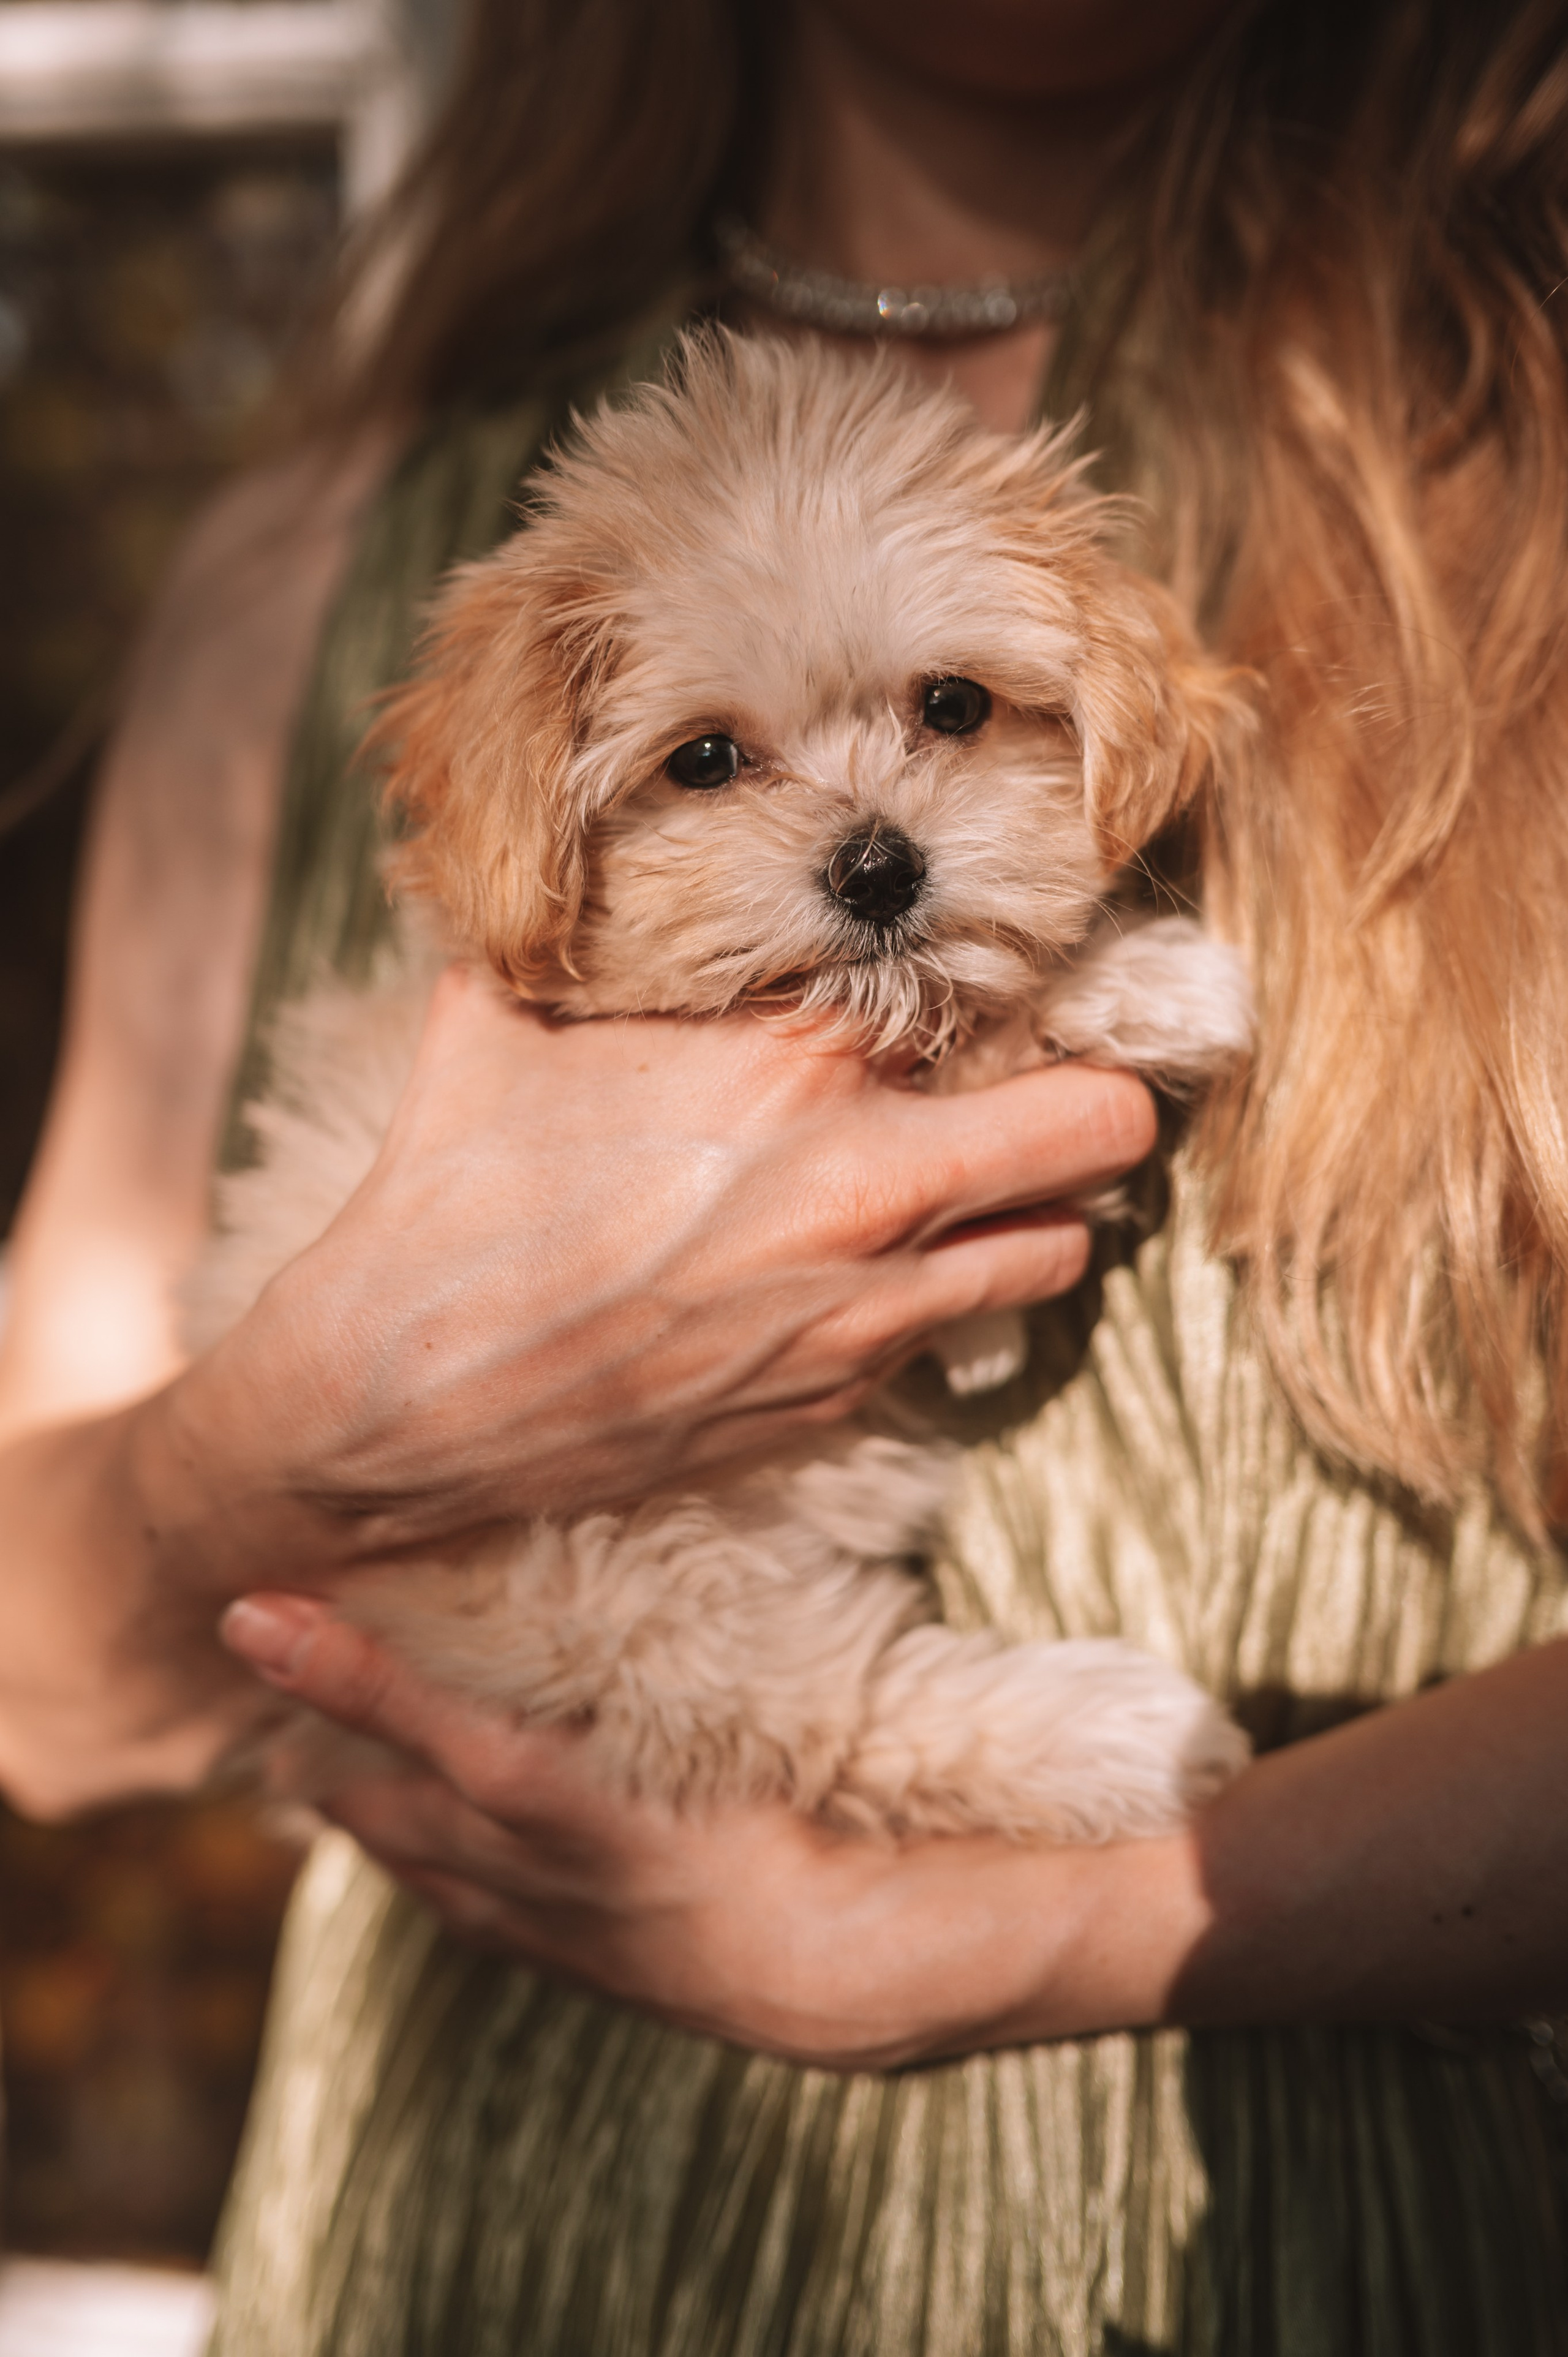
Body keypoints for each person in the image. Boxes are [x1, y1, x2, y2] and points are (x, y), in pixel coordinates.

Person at [3, 0, 1568, 2346]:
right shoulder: (311, 558)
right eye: (720, 753)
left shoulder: (1513, 478)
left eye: (953, 711)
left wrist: (1001, 1932)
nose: (860, 830)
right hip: (483, 2242)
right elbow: (35, 1698)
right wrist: (301, 1430)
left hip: (1316, 2235)